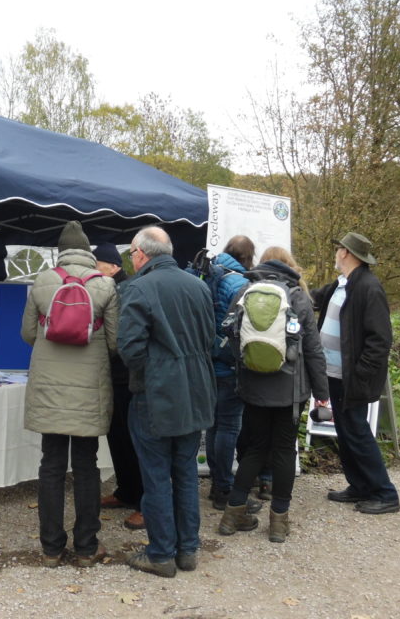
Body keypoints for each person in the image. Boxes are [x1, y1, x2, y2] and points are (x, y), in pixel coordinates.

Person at [118, 226, 216, 577]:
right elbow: (210, 338)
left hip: (157, 395)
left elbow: (129, 347)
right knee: (185, 472)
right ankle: (187, 550)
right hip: (196, 390)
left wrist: (156, 371)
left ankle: (161, 554)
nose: (131, 260)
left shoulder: (139, 286)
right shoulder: (199, 285)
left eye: (131, 254)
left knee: (157, 475)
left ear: (141, 254)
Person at [21, 221, 120, 567]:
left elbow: (28, 333)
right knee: (86, 466)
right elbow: (114, 341)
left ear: (60, 251)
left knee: (50, 465)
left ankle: (50, 549)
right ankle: (86, 547)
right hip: (88, 388)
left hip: (49, 386)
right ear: (89, 251)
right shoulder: (105, 284)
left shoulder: (43, 281)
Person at [217, 245, 329, 543]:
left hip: (253, 388)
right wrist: (322, 392)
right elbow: (314, 350)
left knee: (254, 448)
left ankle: (232, 514)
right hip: (290, 392)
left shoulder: (245, 292)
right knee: (283, 451)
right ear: (290, 265)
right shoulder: (297, 297)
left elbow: (228, 333)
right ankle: (279, 522)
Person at [315, 232, 400, 514]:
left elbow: (380, 339)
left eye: (338, 248)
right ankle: (359, 486)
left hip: (352, 378)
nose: (335, 253)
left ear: (346, 253)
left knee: (358, 432)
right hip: (335, 374)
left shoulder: (368, 288)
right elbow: (314, 298)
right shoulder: (343, 284)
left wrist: (361, 373)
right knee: (346, 430)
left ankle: (385, 494)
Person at [93, 242, 145, 531]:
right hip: (111, 375)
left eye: (97, 264)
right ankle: (125, 491)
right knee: (116, 436)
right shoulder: (108, 288)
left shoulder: (126, 290)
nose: (93, 269)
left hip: (128, 376)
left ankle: (144, 501)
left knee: (133, 438)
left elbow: (124, 336)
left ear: (113, 266)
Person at [204, 235, 256, 511]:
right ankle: (224, 487)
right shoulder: (240, 283)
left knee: (213, 425)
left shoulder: (209, 273)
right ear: (248, 257)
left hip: (207, 362)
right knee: (228, 426)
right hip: (230, 365)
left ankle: (217, 482)